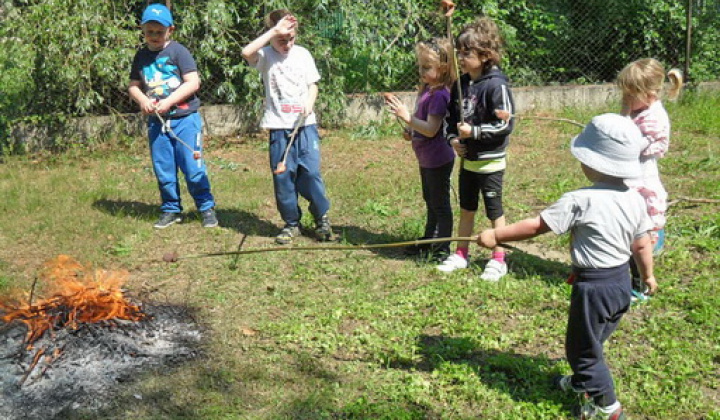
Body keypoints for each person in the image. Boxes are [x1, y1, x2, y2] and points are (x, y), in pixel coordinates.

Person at [477, 113, 658, 420]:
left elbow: (536, 226)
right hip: (621, 285)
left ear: (592, 162)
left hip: (594, 289)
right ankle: (582, 382)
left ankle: (607, 407)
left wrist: (495, 234)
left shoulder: (579, 200)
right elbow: (641, 244)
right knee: (593, 339)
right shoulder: (635, 200)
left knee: (581, 351)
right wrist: (648, 276)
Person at [435, 16, 515, 281]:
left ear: (485, 55)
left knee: (495, 211)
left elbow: (505, 124)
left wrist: (476, 132)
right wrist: (453, 140)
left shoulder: (496, 85)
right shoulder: (461, 85)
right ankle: (461, 253)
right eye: (458, 52)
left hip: (490, 161)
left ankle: (499, 258)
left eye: (466, 53)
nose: (460, 57)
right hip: (468, 160)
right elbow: (450, 120)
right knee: (467, 208)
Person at [241, 9, 332, 245]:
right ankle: (292, 223)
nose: (287, 44)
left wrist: (309, 103)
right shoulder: (266, 56)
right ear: (271, 36)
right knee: (283, 178)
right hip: (279, 128)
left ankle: (322, 217)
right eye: (282, 39)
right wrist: (274, 31)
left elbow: (313, 85)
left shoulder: (303, 54)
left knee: (311, 173)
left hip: (305, 126)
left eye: (291, 38)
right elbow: (245, 52)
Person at [128, 3, 218, 229]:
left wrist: (168, 102)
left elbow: (193, 82)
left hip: (184, 120)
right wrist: (143, 100)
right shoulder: (141, 56)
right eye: (150, 32)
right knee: (163, 167)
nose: (155, 36)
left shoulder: (179, 52)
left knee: (192, 165)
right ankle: (171, 209)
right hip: (157, 124)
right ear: (143, 30)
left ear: (171, 30)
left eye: (160, 31)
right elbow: (133, 86)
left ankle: (206, 207)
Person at [616, 58, 683, 303]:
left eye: (629, 95)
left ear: (649, 94)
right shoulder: (639, 109)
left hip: (641, 182)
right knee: (631, 232)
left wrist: (621, 123)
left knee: (639, 236)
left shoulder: (653, 119)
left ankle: (639, 285)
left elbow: (628, 142)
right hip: (632, 178)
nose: (625, 100)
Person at [384, 37, 456, 259]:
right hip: (426, 157)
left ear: (443, 67)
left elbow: (431, 129)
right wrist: (411, 131)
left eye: (427, 67)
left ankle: (442, 248)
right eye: (420, 66)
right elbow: (422, 125)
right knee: (430, 200)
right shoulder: (427, 89)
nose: (422, 71)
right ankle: (429, 240)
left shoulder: (440, 95)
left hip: (438, 158)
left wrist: (407, 118)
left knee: (440, 204)